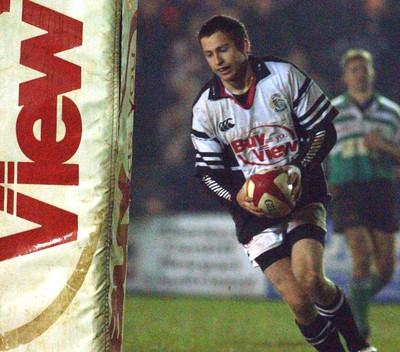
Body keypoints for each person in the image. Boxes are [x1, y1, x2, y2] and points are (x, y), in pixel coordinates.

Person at [190, 15, 376, 352]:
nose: (218, 62)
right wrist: (236, 197)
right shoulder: (206, 107)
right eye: (209, 55)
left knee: (311, 280)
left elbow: (324, 130)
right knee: (299, 302)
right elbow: (206, 173)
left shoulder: (283, 76)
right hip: (253, 209)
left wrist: (299, 169)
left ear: (244, 47)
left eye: (224, 50)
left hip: (302, 192)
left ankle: (359, 345)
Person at [327, 49, 400, 341]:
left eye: (364, 68)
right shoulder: (331, 112)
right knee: (361, 256)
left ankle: (350, 308)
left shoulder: (392, 113)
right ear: (345, 77)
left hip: (380, 190)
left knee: (384, 269)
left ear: (373, 73)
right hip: (347, 190)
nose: (360, 73)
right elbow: (319, 154)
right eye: (354, 69)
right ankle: (360, 333)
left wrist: (384, 147)